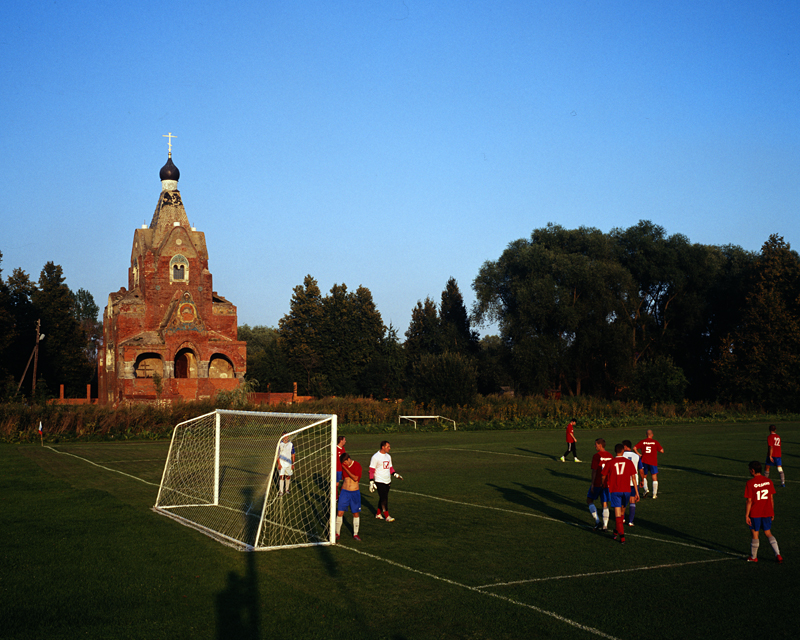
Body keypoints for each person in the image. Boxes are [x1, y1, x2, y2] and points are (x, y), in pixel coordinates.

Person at [744, 460, 783, 563]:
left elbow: (749, 501)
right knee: (768, 533)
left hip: (755, 513)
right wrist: (772, 512)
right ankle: (778, 554)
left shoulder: (750, 483)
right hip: (767, 511)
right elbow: (771, 499)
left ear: (752, 470)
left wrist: (747, 515)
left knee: (755, 534)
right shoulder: (769, 481)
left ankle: (754, 557)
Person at [603, 444, 640, 544]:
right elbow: (633, 478)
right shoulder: (629, 462)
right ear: (623, 451)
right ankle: (615, 532)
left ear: (615, 451)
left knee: (618, 516)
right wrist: (637, 492)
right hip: (627, 491)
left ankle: (622, 537)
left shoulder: (610, 462)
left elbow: (603, 475)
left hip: (615, 491)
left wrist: (604, 485)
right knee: (622, 514)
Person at [369, 440, 403, 522]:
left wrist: (395, 474)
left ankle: (378, 514)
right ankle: (387, 516)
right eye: (388, 447)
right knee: (384, 498)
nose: (389, 448)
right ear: (383, 447)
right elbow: (371, 470)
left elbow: (390, 468)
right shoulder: (375, 457)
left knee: (382, 498)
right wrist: (371, 482)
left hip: (388, 480)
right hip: (379, 480)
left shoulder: (388, 456)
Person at [586, 438, 613, 530]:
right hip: (607, 483)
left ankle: (597, 521)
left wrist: (592, 483)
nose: (595, 446)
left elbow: (594, 470)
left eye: (596, 444)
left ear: (600, 445)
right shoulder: (610, 455)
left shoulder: (596, 456)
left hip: (598, 482)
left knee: (589, 500)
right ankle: (605, 525)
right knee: (604, 503)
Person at [336, 452, 363, 542]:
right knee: (340, 512)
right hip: (344, 492)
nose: (344, 465)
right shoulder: (343, 466)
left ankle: (355, 534)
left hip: (355, 493)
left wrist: (345, 468)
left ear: (348, 459)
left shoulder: (357, 465)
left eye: (345, 463)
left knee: (355, 513)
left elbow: (355, 478)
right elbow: (343, 478)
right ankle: (337, 533)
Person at [634, 430, 664, 499]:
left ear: (646, 435)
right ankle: (654, 494)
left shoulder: (642, 442)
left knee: (644, 476)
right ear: (652, 435)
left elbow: (634, 448)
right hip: (653, 462)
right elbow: (662, 451)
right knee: (654, 478)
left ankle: (646, 489)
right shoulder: (655, 442)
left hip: (644, 461)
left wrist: (638, 454)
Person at [622, 440, 640, 526]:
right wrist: (643, 480)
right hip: (634, 481)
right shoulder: (636, 456)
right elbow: (641, 469)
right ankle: (631, 521)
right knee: (632, 500)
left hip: (624, 481)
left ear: (625, 446)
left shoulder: (621, 455)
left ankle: (623, 518)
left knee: (623, 501)